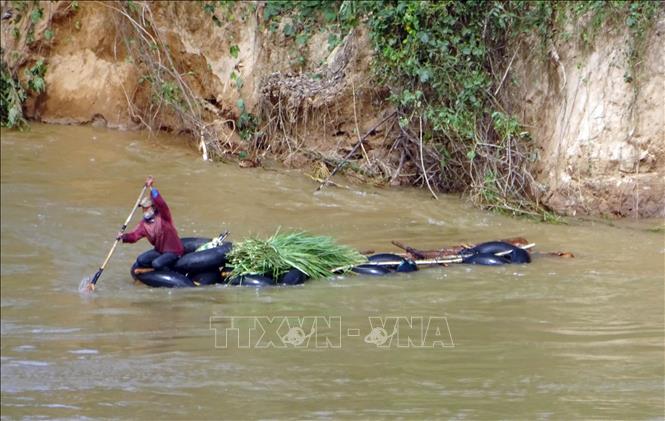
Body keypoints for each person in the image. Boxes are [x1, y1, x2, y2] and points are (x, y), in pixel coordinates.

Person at [119, 176, 184, 270]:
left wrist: (152, 188)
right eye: (143, 209)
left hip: (173, 251)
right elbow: (134, 236)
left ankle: (167, 270)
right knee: (141, 260)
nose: (144, 211)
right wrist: (123, 236)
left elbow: (161, 203)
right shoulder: (144, 224)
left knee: (156, 264)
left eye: (146, 208)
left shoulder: (164, 216)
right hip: (160, 251)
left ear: (153, 208)